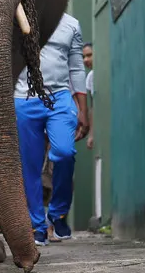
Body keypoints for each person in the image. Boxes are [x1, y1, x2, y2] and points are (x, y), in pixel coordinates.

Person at [14, 13, 89, 246]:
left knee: (64, 152)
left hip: (59, 98)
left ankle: (58, 213)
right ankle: (37, 225)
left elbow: (76, 68)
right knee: (30, 165)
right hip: (24, 98)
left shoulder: (71, 24)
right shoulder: (14, 18)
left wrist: (83, 110)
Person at [82, 42, 95, 150]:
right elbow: (93, 107)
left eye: (89, 55)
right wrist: (91, 134)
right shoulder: (90, 77)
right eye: (83, 57)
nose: (85, 60)